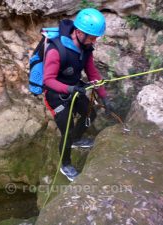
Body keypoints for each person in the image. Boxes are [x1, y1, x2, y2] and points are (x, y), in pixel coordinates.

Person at [43, 8, 113, 181]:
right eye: (91, 37)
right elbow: (48, 80)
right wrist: (69, 89)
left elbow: (93, 74)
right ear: (79, 32)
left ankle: (77, 139)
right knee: (66, 129)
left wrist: (104, 97)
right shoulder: (56, 49)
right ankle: (65, 165)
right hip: (55, 95)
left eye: (95, 37)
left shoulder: (86, 49)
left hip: (74, 89)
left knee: (91, 112)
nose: (94, 41)